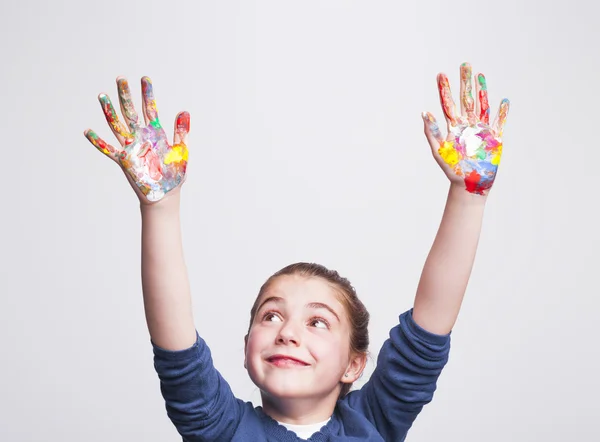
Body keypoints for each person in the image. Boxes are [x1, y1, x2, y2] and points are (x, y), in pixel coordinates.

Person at [84, 63, 509, 441]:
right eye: (270, 315)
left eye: (318, 322)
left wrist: (468, 196)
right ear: (247, 344)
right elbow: (176, 347)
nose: (287, 332)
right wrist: (159, 209)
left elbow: (428, 331)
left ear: (354, 365)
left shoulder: (373, 422)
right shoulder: (219, 427)